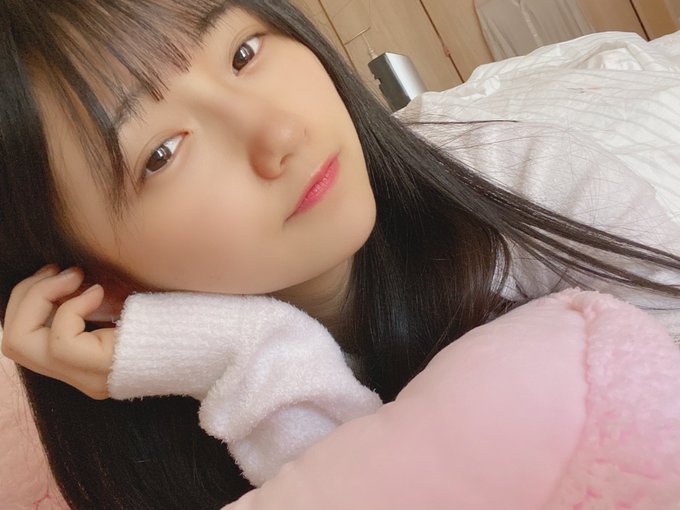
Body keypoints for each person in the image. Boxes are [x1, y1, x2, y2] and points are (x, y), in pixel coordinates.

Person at [1, 1, 679, 508]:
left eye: (244, 53)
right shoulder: (150, 453)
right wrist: (236, 354)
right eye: (162, 153)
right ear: (90, 283)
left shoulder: (530, 183)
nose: (279, 131)